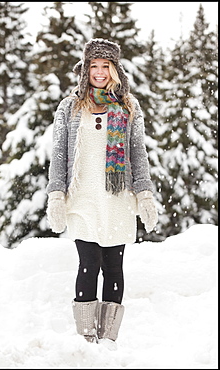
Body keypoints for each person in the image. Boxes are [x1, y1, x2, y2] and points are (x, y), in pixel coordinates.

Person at [46, 38, 158, 348]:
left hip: (117, 196)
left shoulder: (128, 106)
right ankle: (86, 337)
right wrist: (56, 194)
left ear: (114, 69)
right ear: (85, 70)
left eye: (105, 66)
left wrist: (144, 192)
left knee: (113, 266)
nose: (99, 72)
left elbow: (137, 152)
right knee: (88, 263)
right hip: (82, 197)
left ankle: (108, 337)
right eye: (94, 66)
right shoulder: (70, 106)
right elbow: (59, 154)